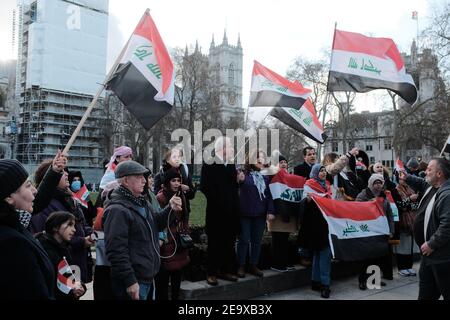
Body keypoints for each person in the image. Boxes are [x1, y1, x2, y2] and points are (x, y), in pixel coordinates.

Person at [103, 161, 182, 300]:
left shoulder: (141, 201)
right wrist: (130, 281)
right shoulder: (117, 210)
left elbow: (156, 223)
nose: (144, 180)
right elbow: (116, 250)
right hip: (134, 282)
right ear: (126, 180)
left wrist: (170, 208)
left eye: (144, 176)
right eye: (139, 177)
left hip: (147, 277)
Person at [31, 161, 95, 284]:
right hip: (59, 265)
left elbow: (81, 224)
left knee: (74, 291)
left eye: (66, 171)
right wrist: (81, 242)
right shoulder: (44, 205)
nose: (67, 174)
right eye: (61, 172)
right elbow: (45, 237)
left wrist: (91, 234)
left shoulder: (69, 199)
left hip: (75, 262)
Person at [0, 159, 55, 299]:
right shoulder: (11, 242)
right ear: (9, 198)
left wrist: (54, 172)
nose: (35, 191)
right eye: (28, 186)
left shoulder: (16, 225)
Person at [200, 136, 240, 286]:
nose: (232, 150)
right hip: (216, 212)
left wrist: (238, 181)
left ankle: (226, 270)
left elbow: (233, 188)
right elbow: (204, 187)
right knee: (215, 244)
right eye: (230, 146)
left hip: (231, 213)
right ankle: (211, 272)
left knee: (229, 243)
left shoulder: (231, 165)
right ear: (221, 149)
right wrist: (219, 201)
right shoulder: (209, 163)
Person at [414, 158, 450, 300]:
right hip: (429, 257)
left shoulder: (447, 193)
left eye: (429, 169)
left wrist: (431, 243)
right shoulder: (434, 188)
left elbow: (447, 225)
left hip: (442, 258)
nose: (425, 172)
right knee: (426, 294)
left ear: (439, 173)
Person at [236, 150, 274, 278]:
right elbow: (235, 187)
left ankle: (253, 265)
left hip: (260, 214)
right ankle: (241, 265)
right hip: (244, 213)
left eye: (263, 157)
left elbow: (269, 195)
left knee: (256, 241)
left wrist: (270, 211)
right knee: (244, 240)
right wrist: (238, 180)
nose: (261, 159)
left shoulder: (266, 176)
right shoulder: (243, 174)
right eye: (258, 157)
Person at [155, 168, 190, 300]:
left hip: (178, 241)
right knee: (163, 280)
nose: (176, 183)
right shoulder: (160, 198)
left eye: (178, 180)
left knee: (177, 276)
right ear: (167, 183)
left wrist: (184, 231)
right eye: (173, 181)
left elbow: (185, 216)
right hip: (166, 242)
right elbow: (160, 221)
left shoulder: (181, 195)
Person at [356, 174, 395, 290]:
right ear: (371, 184)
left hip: (381, 230)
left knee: (378, 256)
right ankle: (362, 280)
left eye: (380, 183)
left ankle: (374, 279)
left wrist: (391, 230)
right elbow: (356, 207)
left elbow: (389, 214)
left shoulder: (383, 195)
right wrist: (369, 203)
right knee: (366, 257)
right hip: (368, 230)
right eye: (376, 183)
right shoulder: (364, 194)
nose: (378, 185)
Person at [300, 164, 333, 298]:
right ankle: (325, 285)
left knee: (320, 254)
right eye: (321, 171)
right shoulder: (309, 184)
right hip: (314, 225)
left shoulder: (328, 185)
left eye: (324, 170)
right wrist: (307, 200)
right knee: (323, 254)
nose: (323, 173)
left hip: (326, 223)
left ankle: (316, 281)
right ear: (315, 173)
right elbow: (302, 203)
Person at [36, 211, 87, 300]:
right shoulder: (45, 250)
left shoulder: (64, 248)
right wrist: (71, 291)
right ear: (55, 227)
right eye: (70, 225)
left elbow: (70, 274)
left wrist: (80, 286)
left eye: (74, 225)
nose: (74, 229)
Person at [267, 155, 298, 272]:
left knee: (285, 239)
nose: (284, 164)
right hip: (276, 213)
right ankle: (277, 264)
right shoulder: (271, 176)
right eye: (281, 162)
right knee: (277, 239)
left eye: (285, 162)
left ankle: (284, 262)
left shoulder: (289, 177)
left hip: (287, 213)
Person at [154, 147, 196, 218]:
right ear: (168, 159)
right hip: (166, 212)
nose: (177, 159)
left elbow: (192, 195)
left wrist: (188, 189)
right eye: (174, 157)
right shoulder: (160, 175)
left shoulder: (185, 172)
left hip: (183, 212)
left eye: (179, 157)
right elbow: (156, 196)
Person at [393, 171, 420, 276]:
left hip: (412, 220)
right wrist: (409, 200)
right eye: (402, 179)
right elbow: (398, 205)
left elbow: (416, 205)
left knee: (410, 246)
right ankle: (402, 267)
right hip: (402, 222)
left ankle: (409, 267)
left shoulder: (411, 189)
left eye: (405, 179)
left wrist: (409, 204)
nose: (404, 181)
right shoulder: (395, 191)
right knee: (403, 246)